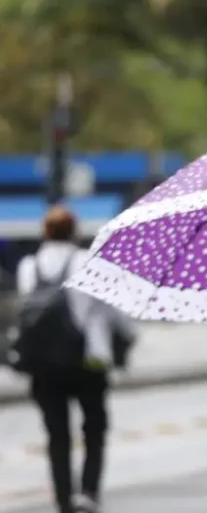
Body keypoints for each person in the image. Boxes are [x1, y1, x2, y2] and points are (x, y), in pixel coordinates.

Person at [15, 206, 136, 513]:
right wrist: (129, 335)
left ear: (45, 232)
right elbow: (112, 309)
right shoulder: (88, 262)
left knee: (56, 433)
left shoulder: (28, 266)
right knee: (94, 429)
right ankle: (88, 492)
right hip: (88, 361)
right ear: (74, 232)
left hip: (43, 363)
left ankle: (62, 498)